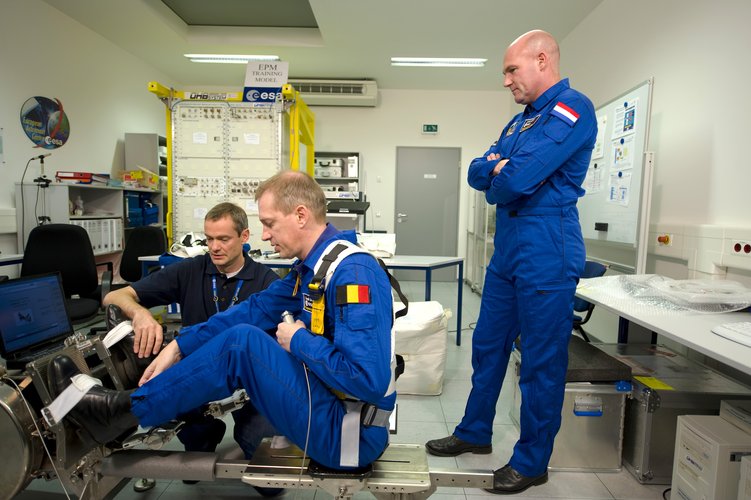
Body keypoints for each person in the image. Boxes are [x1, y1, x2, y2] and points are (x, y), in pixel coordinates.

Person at [50, 170, 396, 472]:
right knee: (242, 331)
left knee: (244, 342)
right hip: (333, 411)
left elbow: (366, 380)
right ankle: (123, 410)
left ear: (301, 215)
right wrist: (179, 345)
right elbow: (250, 311)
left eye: (269, 223)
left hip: (350, 436)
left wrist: (299, 341)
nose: (264, 235)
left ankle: (118, 413)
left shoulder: (352, 273)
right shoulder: (312, 270)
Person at [425, 30, 597, 494]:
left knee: (541, 359)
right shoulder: (519, 122)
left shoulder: (573, 108)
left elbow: (511, 181)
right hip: (509, 247)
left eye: (511, 70)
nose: (505, 81)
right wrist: (496, 170)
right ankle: (474, 432)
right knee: (487, 343)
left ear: (542, 60)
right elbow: (476, 171)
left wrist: (502, 171)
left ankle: (532, 460)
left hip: (547, 244)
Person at [103, 202, 280, 491]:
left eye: (223, 239)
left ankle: (243, 433)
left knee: (270, 484)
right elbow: (115, 297)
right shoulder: (190, 270)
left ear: (245, 237)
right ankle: (204, 434)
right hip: (197, 381)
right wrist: (140, 313)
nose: (214, 247)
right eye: (209, 239)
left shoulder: (266, 281)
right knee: (194, 461)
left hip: (248, 387)